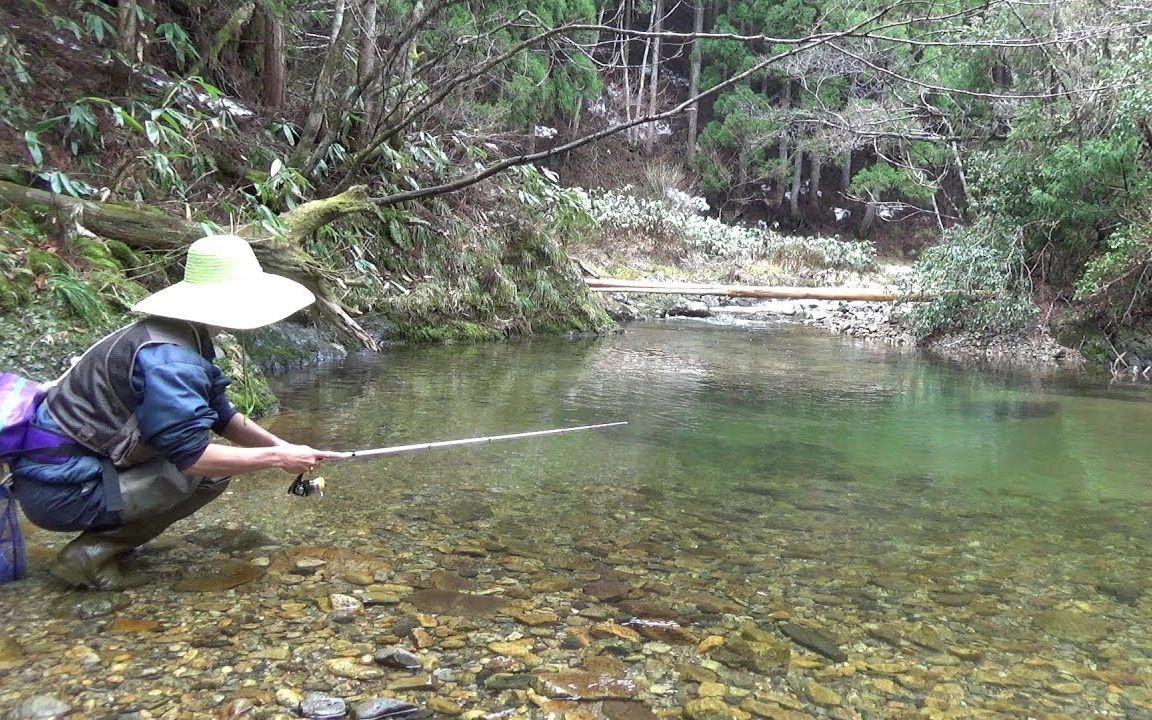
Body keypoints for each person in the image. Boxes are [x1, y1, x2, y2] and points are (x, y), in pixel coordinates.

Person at [8, 234, 344, 590]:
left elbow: (222, 415)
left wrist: (287, 447)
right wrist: (278, 458)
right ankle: (91, 555)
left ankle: (114, 541)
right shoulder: (172, 360)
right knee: (207, 474)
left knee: (214, 469)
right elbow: (193, 458)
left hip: (63, 476)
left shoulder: (175, 333)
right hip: (62, 492)